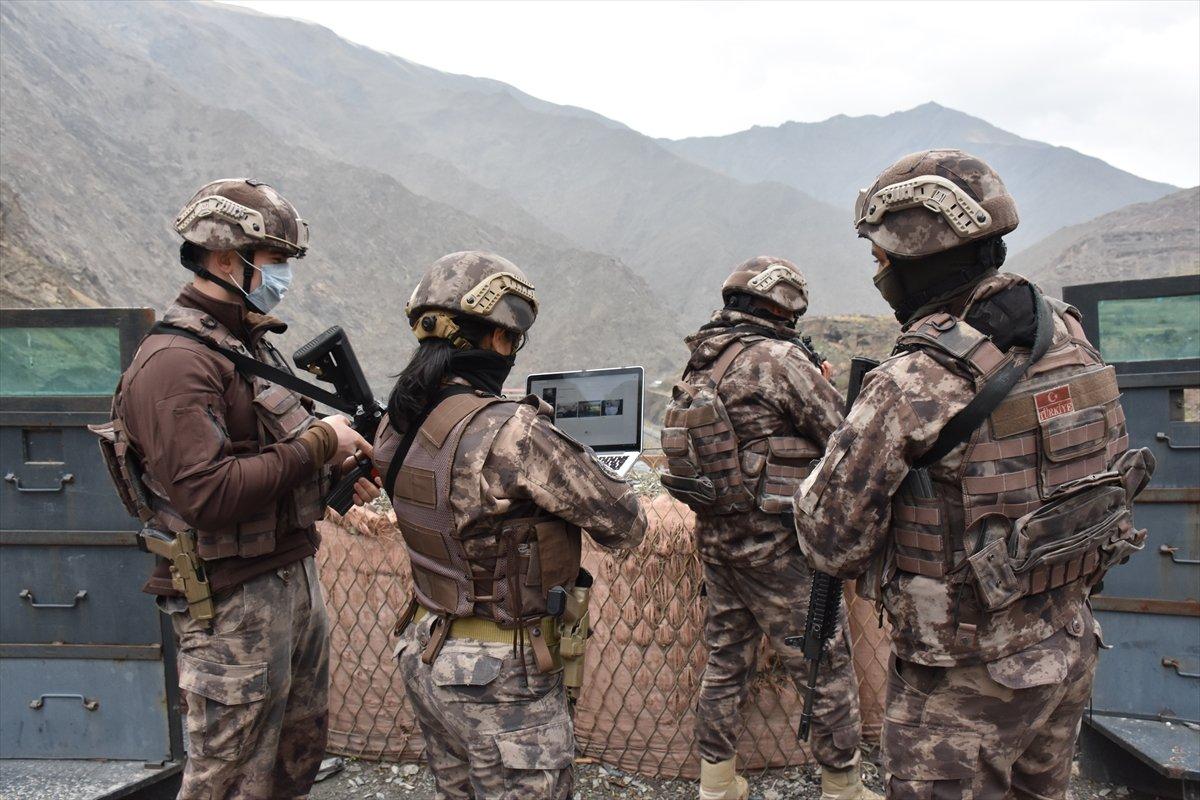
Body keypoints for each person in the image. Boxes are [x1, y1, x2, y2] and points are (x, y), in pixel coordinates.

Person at [793, 150, 1153, 800]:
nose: (879, 272)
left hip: (963, 683)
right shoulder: (1067, 335)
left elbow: (827, 537)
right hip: (1066, 648)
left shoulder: (915, 380)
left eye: (882, 259)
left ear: (914, 259)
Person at [103, 179, 376, 799]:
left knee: (291, 760)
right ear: (227, 259)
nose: (284, 277)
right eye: (276, 262)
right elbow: (207, 494)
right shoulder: (175, 362)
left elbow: (264, 454)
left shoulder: (245, 345)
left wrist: (330, 470)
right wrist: (320, 446)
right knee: (227, 779)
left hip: (286, 577)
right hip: (230, 602)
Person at [377, 250, 648, 799]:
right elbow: (625, 521)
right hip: (500, 676)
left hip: (426, 651)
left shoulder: (396, 422)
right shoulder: (514, 432)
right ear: (498, 340)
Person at [659, 257, 876, 800]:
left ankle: (717, 783)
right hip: (779, 548)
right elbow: (843, 435)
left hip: (718, 541)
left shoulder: (702, 362)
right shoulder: (777, 360)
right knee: (823, 661)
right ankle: (844, 788)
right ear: (785, 307)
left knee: (726, 661)